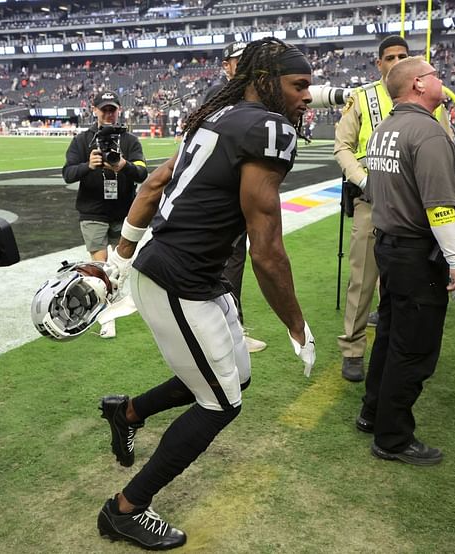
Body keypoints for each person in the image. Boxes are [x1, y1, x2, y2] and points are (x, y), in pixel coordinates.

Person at [95, 38, 316, 550]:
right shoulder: (269, 127)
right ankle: (126, 508)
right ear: (266, 81)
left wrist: (124, 255)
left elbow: (153, 184)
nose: (308, 96)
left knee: (234, 377)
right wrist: (296, 324)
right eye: (298, 85)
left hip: (187, 273)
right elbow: (266, 249)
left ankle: (126, 413)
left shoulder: (216, 116)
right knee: (220, 403)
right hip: (180, 280)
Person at [357, 56, 455, 466]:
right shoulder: (427, 132)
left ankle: (373, 412)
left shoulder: (386, 128)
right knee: (414, 347)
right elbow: (439, 207)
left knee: (389, 335)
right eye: (436, 75)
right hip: (415, 253)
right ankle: (393, 437)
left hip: (389, 245)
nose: (442, 80)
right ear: (419, 84)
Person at [334, 35, 455, 382]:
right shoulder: (361, 97)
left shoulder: (427, 100)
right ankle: (352, 347)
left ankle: (395, 351)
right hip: (372, 199)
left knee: (409, 281)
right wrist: (365, 181)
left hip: (415, 202)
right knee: (363, 278)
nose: (395, 61)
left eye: (402, 56)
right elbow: (343, 146)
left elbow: (445, 141)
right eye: (389, 56)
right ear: (378, 63)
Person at [62, 90, 148, 338]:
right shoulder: (81, 141)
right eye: (104, 109)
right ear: (95, 110)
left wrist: (123, 166)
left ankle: (110, 306)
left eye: (112, 109)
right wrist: (87, 166)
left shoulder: (129, 141)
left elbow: (142, 173)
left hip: (124, 213)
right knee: (101, 269)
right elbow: (67, 173)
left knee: (120, 269)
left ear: (119, 111)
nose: (109, 114)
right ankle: (106, 319)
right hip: (93, 212)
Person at [203, 40, 267, 353]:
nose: (244, 65)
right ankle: (225, 329)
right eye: (238, 60)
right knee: (223, 259)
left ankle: (233, 326)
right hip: (219, 190)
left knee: (234, 258)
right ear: (226, 65)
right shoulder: (220, 92)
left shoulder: (249, 92)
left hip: (237, 185)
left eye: (248, 59)